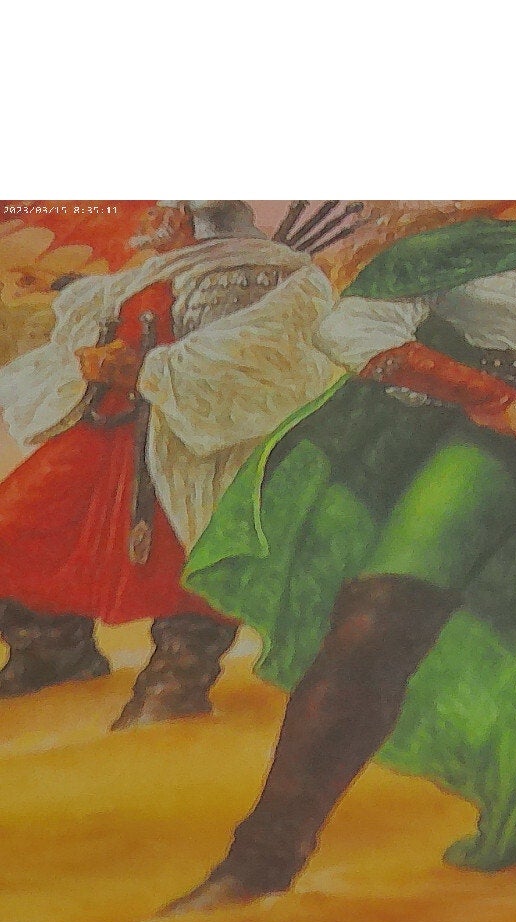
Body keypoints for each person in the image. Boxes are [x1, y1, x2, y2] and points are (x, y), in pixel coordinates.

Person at [168, 201, 516, 914]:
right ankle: (261, 860)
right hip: (505, 430)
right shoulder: (436, 249)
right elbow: (352, 331)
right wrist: (484, 393)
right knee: (377, 617)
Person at [0, 201, 337, 725]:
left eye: (166, 212)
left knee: (187, 557)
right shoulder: (159, 271)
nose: (150, 221)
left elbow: (256, 360)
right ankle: (53, 651)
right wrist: (85, 347)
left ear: (193, 219)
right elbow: (104, 316)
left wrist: (147, 368)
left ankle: (177, 679)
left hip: (201, 444)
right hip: (111, 430)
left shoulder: (269, 277)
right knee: (17, 527)